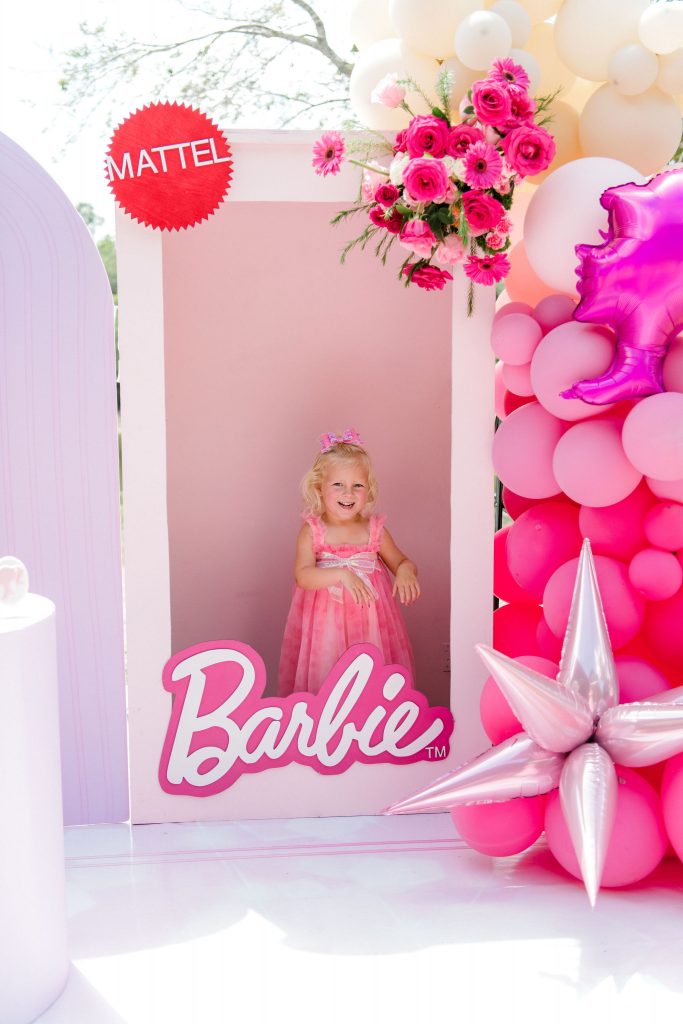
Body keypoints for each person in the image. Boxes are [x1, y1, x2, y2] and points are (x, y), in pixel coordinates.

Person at [278, 429, 420, 696]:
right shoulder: (313, 530)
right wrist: (341, 574)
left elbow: (402, 561)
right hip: (325, 630)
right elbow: (303, 575)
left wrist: (405, 572)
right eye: (338, 485)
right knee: (328, 679)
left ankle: (374, 718)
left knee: (372, 679)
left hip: (371, 625)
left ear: (369, 490)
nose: (348, 493)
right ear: (319, 488)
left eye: (358, 485)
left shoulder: (374, 530)